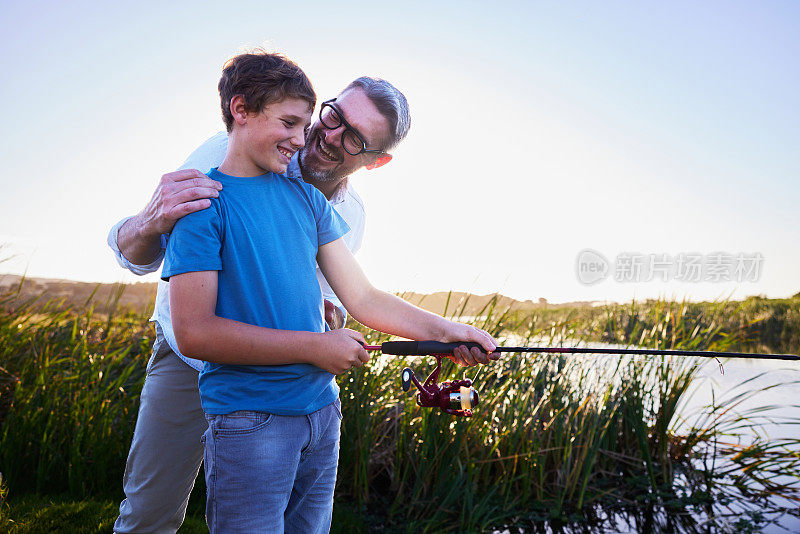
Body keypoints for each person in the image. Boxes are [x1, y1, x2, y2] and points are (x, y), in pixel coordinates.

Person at [108, 53, 496, 533]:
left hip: (306, 399)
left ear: (376, 160)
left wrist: (448, 330)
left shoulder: (327, 208)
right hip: (212, 378)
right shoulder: (212, 175)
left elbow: (360, 297)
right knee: (152, 510)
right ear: (241, 112)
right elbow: (188, 319)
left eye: (353, 138)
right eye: (330, 117)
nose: (322, 136)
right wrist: (148, 221)